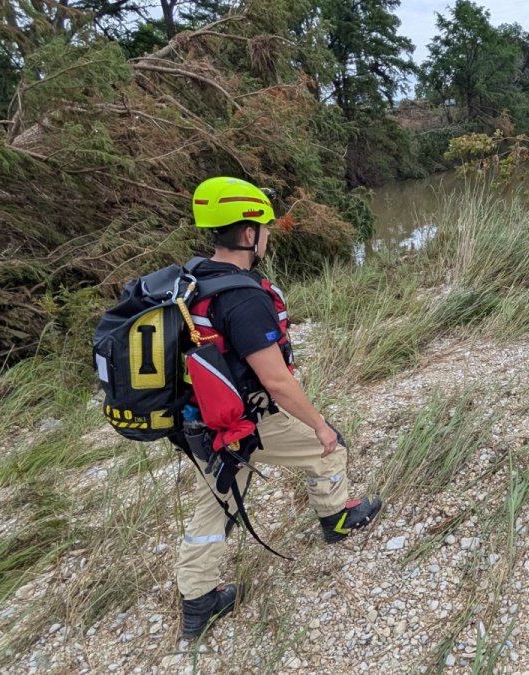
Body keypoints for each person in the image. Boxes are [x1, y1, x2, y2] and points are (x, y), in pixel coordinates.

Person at [176, 177, 382, 639]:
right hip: (244, 419)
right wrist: (320, 424)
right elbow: (275, 380)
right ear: (249, 234)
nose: (267, 233)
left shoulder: (193, 278)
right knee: (327, 449)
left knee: (217, 504)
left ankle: (197, 602)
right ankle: (337, 519)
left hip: (204, 421)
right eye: (264, 226)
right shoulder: (243, 297)